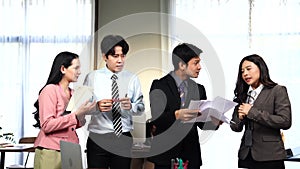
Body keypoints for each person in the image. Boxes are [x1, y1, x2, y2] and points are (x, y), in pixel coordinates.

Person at [147, 43, 222, 169]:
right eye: (196, 63)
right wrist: (176, 115)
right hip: (166, 154)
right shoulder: (159, 86)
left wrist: (214, 122)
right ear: (182, 65)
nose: (199, 67)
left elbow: (201, 122)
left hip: (190, 153)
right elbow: (157, 119)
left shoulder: (199, 89)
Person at [83, 34, 145, 169]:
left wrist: (132, 106)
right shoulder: (92, 77)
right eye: (115, 56)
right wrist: (97, 107)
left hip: (123, 138)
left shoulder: (132, 78)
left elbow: (141, 108)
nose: (120, 60)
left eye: (123, 56)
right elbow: (82, 109)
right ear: (105, 56)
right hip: (98, 138)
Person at [32, 51, 97, 169]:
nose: (80, 72)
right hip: (51, 150)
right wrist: (76, 114)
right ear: (63, 69)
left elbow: (75, 124)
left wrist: (83, 113)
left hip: (71, 148)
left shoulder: (73, 93)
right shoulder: (49, 90)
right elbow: (46, 125)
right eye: (76, 68)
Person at [230, 54, 292, 169]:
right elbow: (235, 127)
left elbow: (285, 121)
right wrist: (239, 118)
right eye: (242, 71)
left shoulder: (277, 90)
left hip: (270, 156)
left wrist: (252, 112)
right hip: (246, 155)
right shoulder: (243, 94)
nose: (245, 74)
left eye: (248, 69)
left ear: (260, 68)